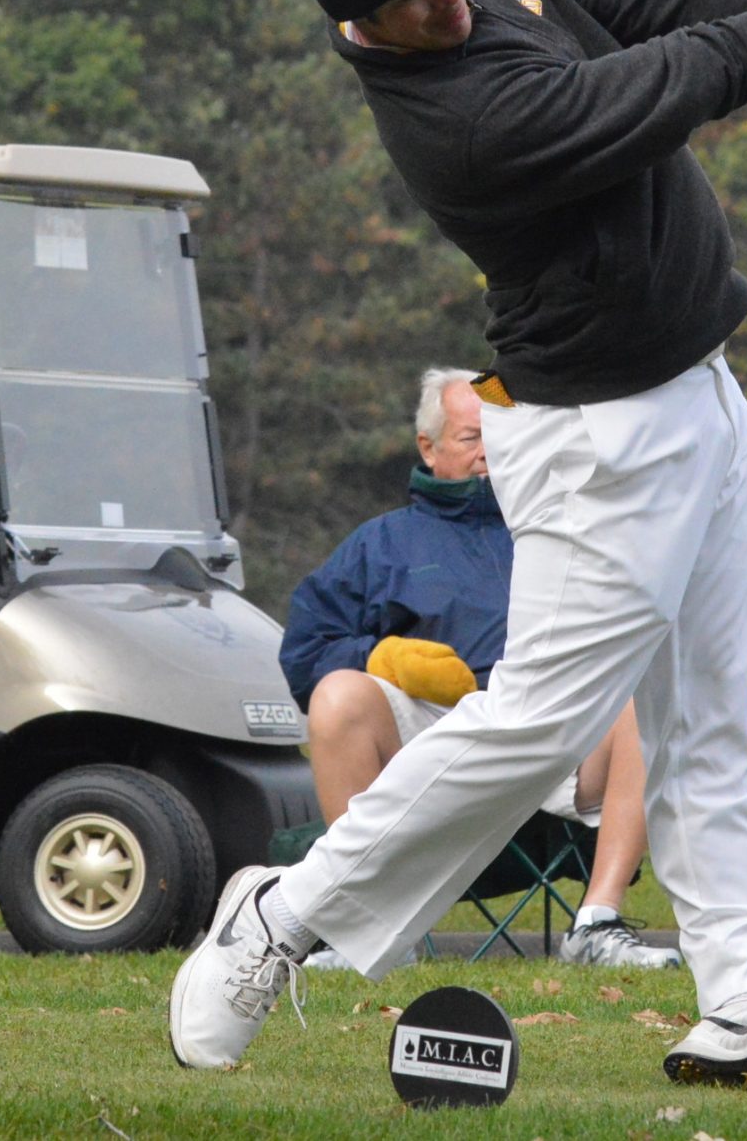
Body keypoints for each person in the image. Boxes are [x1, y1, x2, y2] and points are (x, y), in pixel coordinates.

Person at [170, 0, 747, 1090]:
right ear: (356, 16)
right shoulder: (461, 129)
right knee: (536, 722)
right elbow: (686, 73)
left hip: (700, 392)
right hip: (599, 438)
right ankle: (279, 917)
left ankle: (741, 1001)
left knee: (709, 729)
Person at [281, 366, 680, 972]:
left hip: (552, 725)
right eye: (472, 438)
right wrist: (381, 659)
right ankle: (368, 930)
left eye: (502, 435)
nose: (490, 454)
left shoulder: (566, 526)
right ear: (429, 447)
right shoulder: (380, 543)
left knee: (639, 688)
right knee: (337, 695)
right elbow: (306, 651)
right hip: (431, 735)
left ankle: (597, 924)